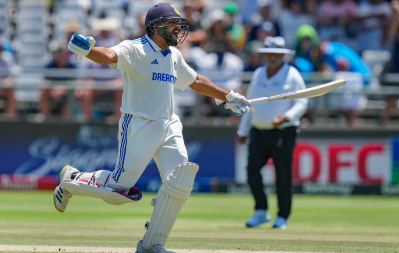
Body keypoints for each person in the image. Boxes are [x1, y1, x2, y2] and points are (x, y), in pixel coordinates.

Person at [55, 3, 251, 253]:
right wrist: (88, 50)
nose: (178, 29)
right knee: (117, 191)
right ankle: (72, 179)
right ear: (155, 26)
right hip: (138, 124)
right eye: (172, 24)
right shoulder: (135, 48)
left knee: (179, 182)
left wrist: (228, 96)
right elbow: (109, 55)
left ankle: (151, 244)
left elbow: (196, 81)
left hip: (168, 124)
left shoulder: (174, 55)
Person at [237, 36, 308, 230]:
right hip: (258, 132)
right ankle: (261, 210)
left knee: (283, 175)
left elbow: (302, 102)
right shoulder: (259, 74)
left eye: (277, 54)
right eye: (269, 53)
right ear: (264, 55)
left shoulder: (292, 75)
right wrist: (243, 129)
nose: (273, 57)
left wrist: (286, 117)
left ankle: (282, 216)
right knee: (252, 170)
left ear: (283, 56)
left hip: (283, 133)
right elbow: (248, 103)